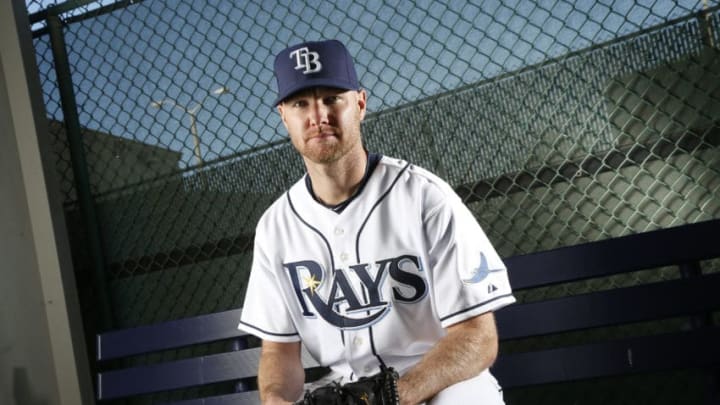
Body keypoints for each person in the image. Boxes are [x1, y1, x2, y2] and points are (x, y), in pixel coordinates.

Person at [238, 39, 516, 405]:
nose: (317, 115)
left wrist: (392, 397)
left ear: (360, 104)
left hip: (440, 382)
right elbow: (278, 353)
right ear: (284, 116)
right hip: (346, 392)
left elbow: (478, 337)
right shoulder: (276, 226)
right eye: (300, 103)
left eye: (332, 98)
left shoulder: (423, 196)